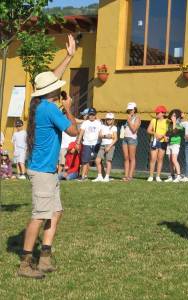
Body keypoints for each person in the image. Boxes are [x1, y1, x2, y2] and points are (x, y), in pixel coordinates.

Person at [18, 34, 78, 279]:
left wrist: (70, 56)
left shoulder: (40, 104)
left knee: (56, 212)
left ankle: (44, 257)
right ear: (54, 92)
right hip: (43, 171)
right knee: (39, 215)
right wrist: (69, 109)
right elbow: (73, 131)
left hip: (46, 170)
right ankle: (25, 263)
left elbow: (51, 78)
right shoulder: (52, 109)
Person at [76, 108, 102, 181]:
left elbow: (100, 132)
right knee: (85, 161)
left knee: (98, 160)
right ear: (88, 115)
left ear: (95, 115)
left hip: (96, 144)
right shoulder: (85, 123)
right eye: (90, 114)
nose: (91, 116)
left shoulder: (98, 123)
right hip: (87, 144)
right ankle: (83, 177)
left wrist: (102, 138)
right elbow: (81, 133)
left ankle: (101, 176)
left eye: (93, 115)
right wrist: (78, 142)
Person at [93, 113, 118, 182]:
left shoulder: (114, 128)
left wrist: (109, 147)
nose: (108, 121)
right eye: (107, 119)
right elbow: (100, 135)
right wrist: (106, 136)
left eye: (110, 119)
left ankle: (107, 177)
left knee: (108, 161)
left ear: (113, 120)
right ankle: (99, 176)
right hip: (102, 145)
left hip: (110, 146)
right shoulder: (102, 126)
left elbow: (115, 138)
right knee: (97, 160)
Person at [147, 105, 168, 182]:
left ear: (163, 113)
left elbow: (168, 131)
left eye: (158, 113)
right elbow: (148, 130)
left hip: (163, 142)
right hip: (154, 141)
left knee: (160, 159)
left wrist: (164, 136)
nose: (156, 114)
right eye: (156, 113)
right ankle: (151, 176)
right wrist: (155, 134)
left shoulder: (167, 122)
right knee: (153, 159)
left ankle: (158, 176)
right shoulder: (153, 121)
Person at [122, 102, 141, 181]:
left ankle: (130, 176)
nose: (130, 111)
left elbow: (134, 130)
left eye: (131, 109)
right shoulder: (128, 117)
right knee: (126, 158)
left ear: (135, 109)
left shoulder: (137, 118)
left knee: (131, 158)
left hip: (132, 139)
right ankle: (126, 176)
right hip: (125, 138)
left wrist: (129, 121)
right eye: (129, 110)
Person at [164, 109, 184, 183]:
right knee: (170, 161)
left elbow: (174, 131)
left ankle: (178, 176)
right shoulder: (169, 124)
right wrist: (165, 137)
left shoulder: (179, 125)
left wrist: (175, 121)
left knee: (174, 160)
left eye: (175, 116)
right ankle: (172, 176)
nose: (172, 117)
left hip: (175, 144)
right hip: (169, 144)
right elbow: (168, 133)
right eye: (172, 115)